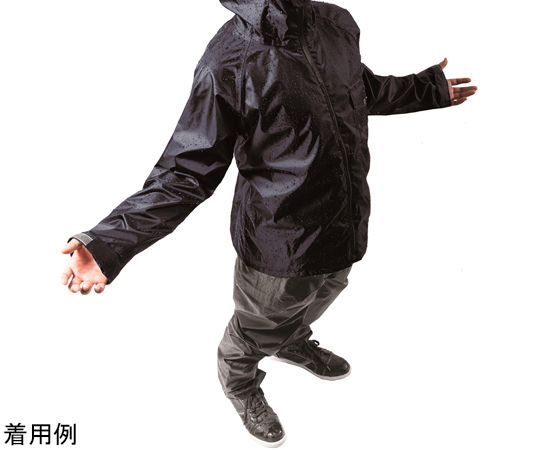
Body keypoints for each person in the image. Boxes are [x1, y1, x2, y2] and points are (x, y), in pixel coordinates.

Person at [60, 0, 477, 447]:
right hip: (279, 240)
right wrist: (108, 243)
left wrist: (426, 90)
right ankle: (238, 379)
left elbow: (359, 87)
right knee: (259, 322)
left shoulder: (335, 22)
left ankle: (290, 340)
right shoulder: (229, 60)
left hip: (345, 219)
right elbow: (185, 172)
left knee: (330, 286)